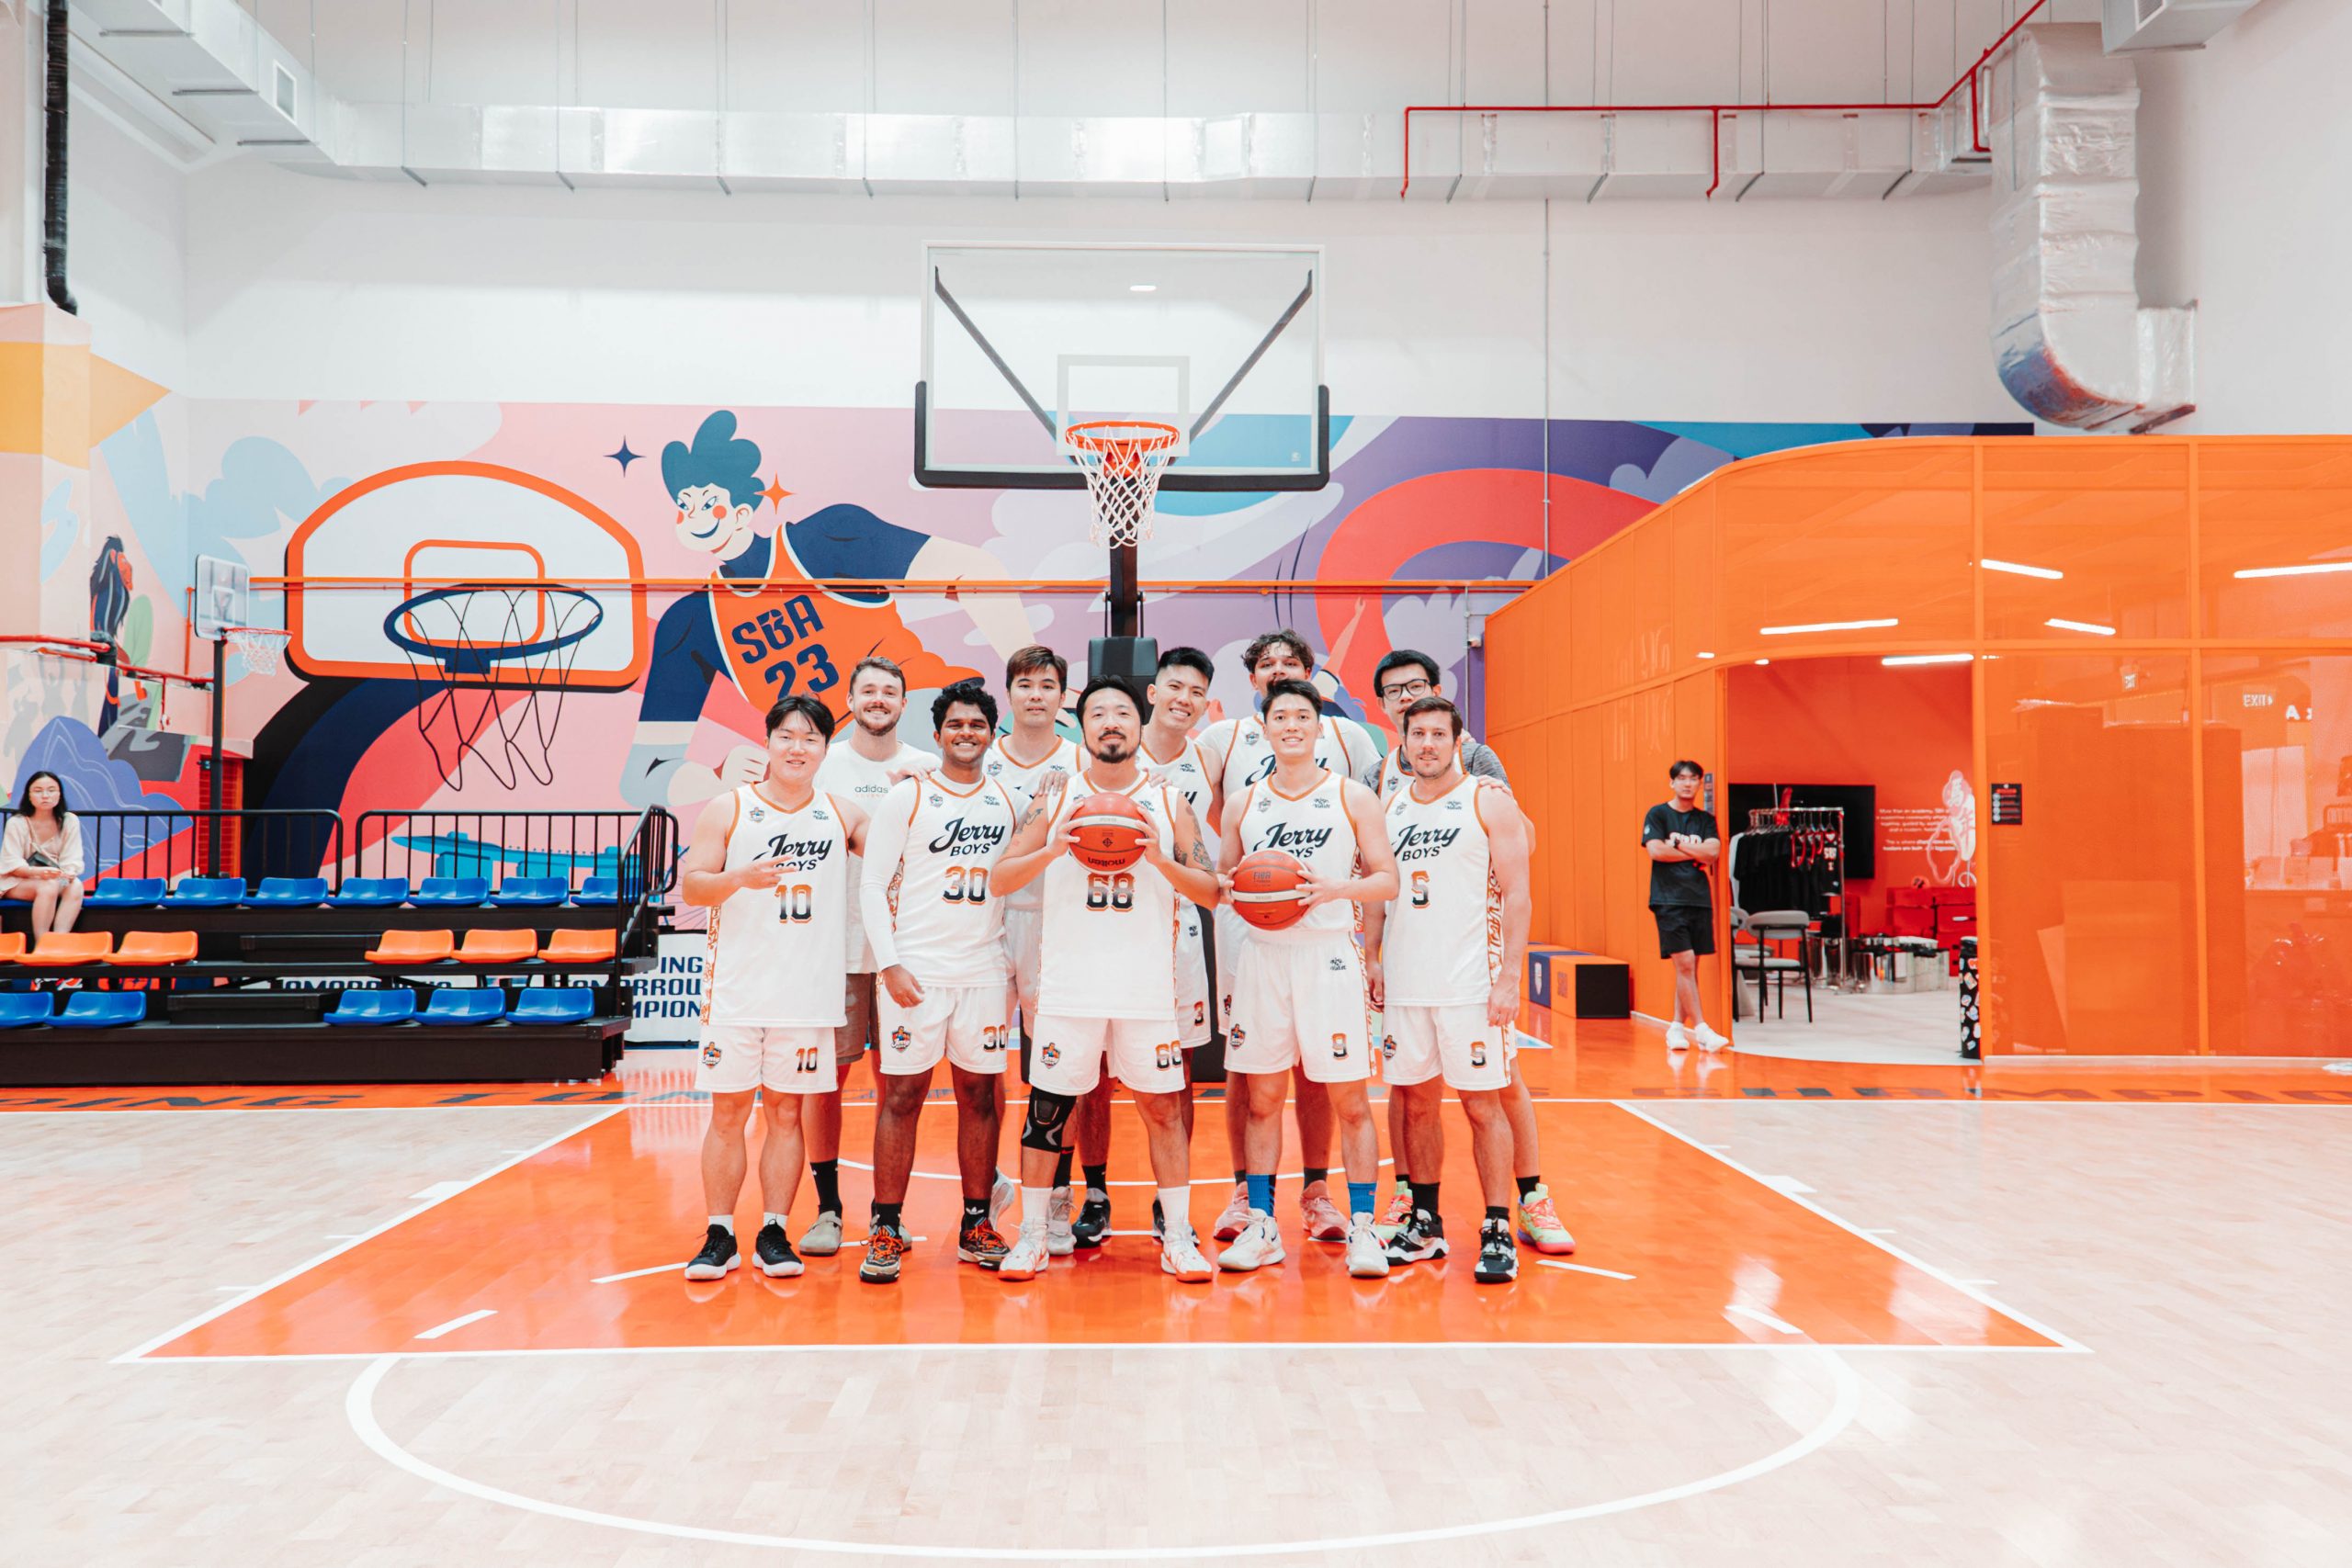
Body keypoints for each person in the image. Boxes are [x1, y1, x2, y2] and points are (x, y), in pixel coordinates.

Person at [620, 409, 1027, 810]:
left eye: (709, 501)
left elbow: (977, 571)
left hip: (918, 721)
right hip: (828, 765)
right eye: (684, 504)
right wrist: (715, 777)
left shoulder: (825, 539)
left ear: (743, 508)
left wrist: (1029, 686)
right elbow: (643, 776)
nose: (695, 515)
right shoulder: (692, 622)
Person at [985, 678, 1222, 1283]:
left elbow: (1212, 892)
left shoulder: (1169, 801)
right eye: (1098, 713)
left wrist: (1159, 858)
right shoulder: (1056, 797)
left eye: (1122, 712)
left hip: (1147, 988)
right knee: (1046, 1112)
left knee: (1163, 1111)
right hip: (1070, 987)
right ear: (1083, 727)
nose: (1110, 722)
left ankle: (1178, 1235)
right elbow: (999, 878)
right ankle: (1033, 1236)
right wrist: (1052, 849)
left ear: (1140, 724)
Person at [1362, 652, 1570, 1257]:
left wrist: (1510, 976)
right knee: (1413, 1098)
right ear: (1393, 722)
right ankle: (1420, 1214)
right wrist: (1371, 957)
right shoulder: (1383, 792)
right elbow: (1378, 886)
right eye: (1396, 696)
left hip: (1472, 978)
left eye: (1435, 728)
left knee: (1492, 1095)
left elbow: (1520, 879)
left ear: (1456, 737)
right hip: (1408, 981)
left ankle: (1516, 1209)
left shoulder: (1485, 783)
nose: (1423, 735)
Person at [679, 695, 871, 1283]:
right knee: (729, 1112)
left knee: (787, 1113)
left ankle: (773, 1231)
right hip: (736, 992)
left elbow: (901, 848)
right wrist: (739, 877)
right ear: (767, 742)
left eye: (811, 739)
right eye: (787, 736)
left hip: (806, 995)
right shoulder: (730, 807)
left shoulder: (842, 814)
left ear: (826, 749)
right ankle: (719, 1233)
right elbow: (693, 887)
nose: (797, 748)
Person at [1200, 629, 1378, 1246]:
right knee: (1253, 1077)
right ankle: (1252, 1202)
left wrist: (1336, 889)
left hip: (1327, 943)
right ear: (1255, 688)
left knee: (1330, 1078)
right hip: (1254, 938)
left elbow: (1383, 845)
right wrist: (1245, 881)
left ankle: (1328, 1199)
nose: (1279, 671)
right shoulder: (1227, 750)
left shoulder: (1349, 752)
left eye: (1291, 663)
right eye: (1268, 664)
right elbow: (1207, 833)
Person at [855, 681, 1023, 1281]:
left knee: (979, 1096)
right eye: (955, 724)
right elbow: (872, 883)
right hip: (916, 972)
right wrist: (890, 962)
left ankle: (976, 1223)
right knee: (902, 1096)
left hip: (983, 971)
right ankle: (885, 1226)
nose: (966, 733)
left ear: (992, 734)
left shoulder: (1007, 801)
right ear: (937, 734)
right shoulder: (909, 796)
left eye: (977, 724)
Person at [800, 656, 940, 1258]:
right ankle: (828, 1208)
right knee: (825, 1080)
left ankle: (889, 1213)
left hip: (907, 950)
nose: (878, 699)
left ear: (904, 703)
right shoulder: (822, 763)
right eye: (868, 690)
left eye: (890, 691)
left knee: (898, 1085)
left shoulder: (928, 767)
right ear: (851, 700)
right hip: (836, 948)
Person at [981, 645, 1085, 1252]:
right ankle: (990, 1181)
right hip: (988, 925)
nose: (1037, 694)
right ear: (1010, 693)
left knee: (1057, 1068)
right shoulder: (983, 758)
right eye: (1025, 684)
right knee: (982, 1065)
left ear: (1062, 695)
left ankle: (1058, 1197)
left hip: (1057, 926)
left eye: (1048, 684)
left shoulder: (1080, 760)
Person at [1137, 646, 1222, 1239]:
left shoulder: (1206, 759)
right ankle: (1092, 1193)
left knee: (1181, 1068)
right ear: (1153, 692)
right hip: (1110, 926)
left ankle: (1173, 1209)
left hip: (1179, 927)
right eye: (1175, 686)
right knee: (1096, 1072)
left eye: (1196, 692)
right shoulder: (1110, 743)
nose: (1184, 699)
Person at [1643, 760, 1727, 1052]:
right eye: (1682, 778)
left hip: (1698, 899)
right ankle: (1702, 1029)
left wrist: (1677, 846)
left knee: (1689, 968)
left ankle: (1676, 1028)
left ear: (1700, 783)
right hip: (1668, 899)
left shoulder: (1705, 819)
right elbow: (1656, 850)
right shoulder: (1658, 814)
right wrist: (1695, 852)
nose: (1688, 783)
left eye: (1693, 779)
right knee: (1686, 963)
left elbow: (1713, 852)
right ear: (1672, 782)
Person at [1363, 649, 1510, 799]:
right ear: (1382, 704)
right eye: (1393, 691)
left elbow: (1508, 812)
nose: (1405, 696)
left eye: (1415, 686)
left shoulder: (1473, 757)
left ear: (1436, 692)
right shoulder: (1376, 777)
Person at [1, 773, 85, 944]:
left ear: (59, 794)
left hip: (54, 878)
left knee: (75, 885)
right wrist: (38, 873)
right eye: (38, 791)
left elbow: (72, 857)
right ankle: (42, 943)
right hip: (15, 881)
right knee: (48, 886)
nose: (45, 795)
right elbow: (11, 863)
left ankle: (59, 940)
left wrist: (69, 872)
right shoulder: (17, 823)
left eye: (51, 790)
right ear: (29, 795)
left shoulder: (69, 820)